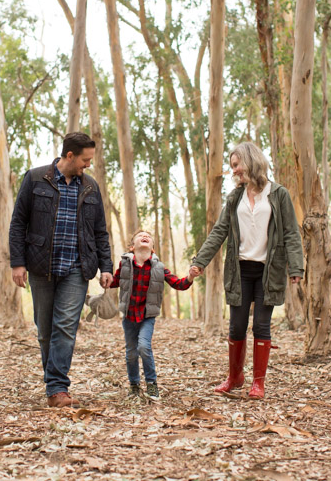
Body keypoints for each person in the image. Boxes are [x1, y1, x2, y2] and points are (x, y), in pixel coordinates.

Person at [190, 142, 304, 400]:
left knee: (262, 326)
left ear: (251, 160)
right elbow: (219, 231)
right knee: (237, 326)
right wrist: (200, 261)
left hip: (268, 271)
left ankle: (258, 383)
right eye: (233, 167)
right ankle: (235, 377)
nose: (235, 171)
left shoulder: (279, 194)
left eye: (236, 165)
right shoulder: (235, 197)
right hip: (239, 270)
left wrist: (295, 266)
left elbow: (290, 232)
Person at [10, 132, 114, 408]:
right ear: (70, 156)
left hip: (77, 268)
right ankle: (53, 383)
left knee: (66, 326)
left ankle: (57, 388)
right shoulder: (34, 179)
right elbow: (18, 222)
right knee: (45, 330)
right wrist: (17, 262)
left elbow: (100, 231)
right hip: (41, 266)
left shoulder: (90, 187)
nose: (88, 165)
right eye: (85, 160)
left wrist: (106, 266)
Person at [105, 230, 198, 400]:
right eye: (140, 235)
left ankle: (151, 383)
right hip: (129, 316)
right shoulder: (125, 264)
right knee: (131, 352)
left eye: (148, 236)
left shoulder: (159, 268)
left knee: (144, 347)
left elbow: (178, 284)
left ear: (152, 249)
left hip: (147, 316)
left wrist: (190, 276)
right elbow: (115, 282)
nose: (144, 236)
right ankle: (134, 385)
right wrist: (105, 278)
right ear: (133, 246)